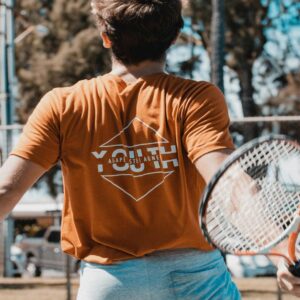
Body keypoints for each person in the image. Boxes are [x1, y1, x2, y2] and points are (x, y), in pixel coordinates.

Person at [0, 0, 298, 298]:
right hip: (197, 281)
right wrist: (279, 253)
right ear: (173, 37)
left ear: (106, 37)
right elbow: (231, 186)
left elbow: (6, 190)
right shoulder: (196, 99)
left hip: (109, 282)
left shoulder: (63, 105)